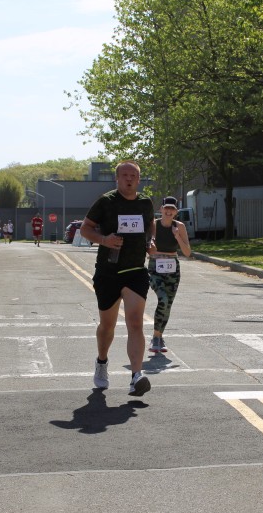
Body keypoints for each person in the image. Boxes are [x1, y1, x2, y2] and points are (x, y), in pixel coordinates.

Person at [79, 161, 155, 396]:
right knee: (107, 326)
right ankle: (102, 361)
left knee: (135, 322)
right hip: (108, 272)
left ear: (139, 179)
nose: (129, 179)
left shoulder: (145, 203)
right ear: (117, 178)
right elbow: (85, 228)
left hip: (135, 271)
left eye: (133, 176)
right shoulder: (106, 201)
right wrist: (104, 240)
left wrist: (150, 242)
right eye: (125, 175)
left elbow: (150, 225)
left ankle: (136, 376)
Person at [148, 196, 192, 353]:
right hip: (155, 266)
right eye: (166, 208)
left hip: (173, 268)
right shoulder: (153, 225)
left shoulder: (179, 226)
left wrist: (177, 236)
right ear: (161, 209)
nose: (168, 211)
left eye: (172, 209)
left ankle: (159, 337)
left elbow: (187, 252)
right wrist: (150, 246)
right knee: (163, 299)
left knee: (168, 304)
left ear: (176, 212)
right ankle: (155, 337)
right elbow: (146, 247)